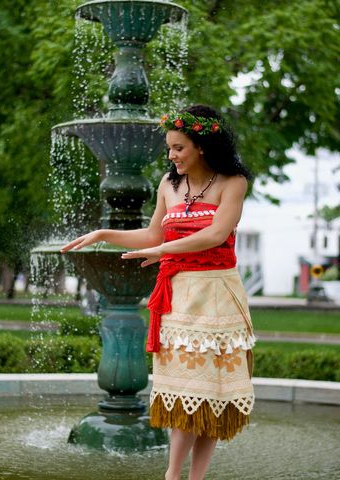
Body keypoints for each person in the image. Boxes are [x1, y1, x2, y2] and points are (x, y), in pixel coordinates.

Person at [61, 104, 256, 480]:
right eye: (169, 148)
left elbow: (215, 235)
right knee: (182, 394)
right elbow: (154, 234)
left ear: (202, 146)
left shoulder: (233, 183)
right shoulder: (169, 185)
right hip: (178, 299)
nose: (171, 156)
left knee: (210, 396)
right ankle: (171, 475)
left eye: (178, 148)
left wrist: (162, 250)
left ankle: (195, 478)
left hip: (217, 297)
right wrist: (103, 234)